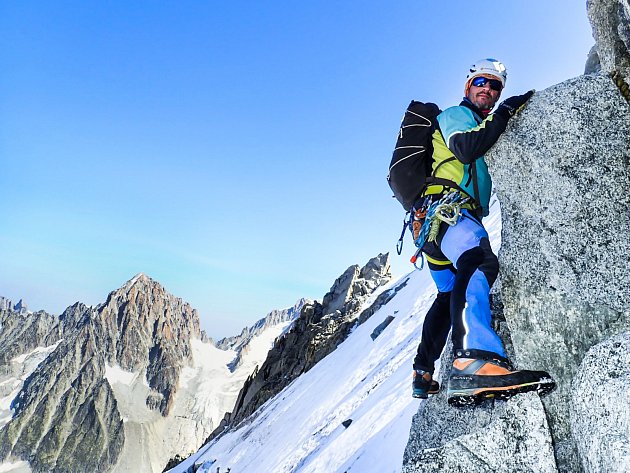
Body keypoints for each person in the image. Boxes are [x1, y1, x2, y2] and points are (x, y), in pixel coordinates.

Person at [410, 58, 555, 405]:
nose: (488, 90)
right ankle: (474, 359)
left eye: (495, 87)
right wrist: (504, 112)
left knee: (448, 296)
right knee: (479, 262)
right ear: (468, 87)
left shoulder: (479, 124)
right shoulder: (456, 116)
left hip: (434, 229)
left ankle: (422, 372)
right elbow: (465, 148)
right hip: (450, 213)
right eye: (481, 82)